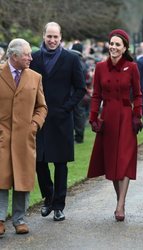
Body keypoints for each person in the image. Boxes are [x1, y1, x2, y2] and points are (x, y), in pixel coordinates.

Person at [30, 22, 86, 221]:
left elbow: (81, 89)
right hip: (39, 119)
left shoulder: (71, 59)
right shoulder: (34, 58)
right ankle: (48, 197)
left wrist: (66, 108)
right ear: (43, 36)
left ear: (61, 37)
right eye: (49, 36)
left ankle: (59, 206)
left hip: (62, 120)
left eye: (55, 37)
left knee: (61, 164)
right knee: (39, 162)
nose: (52, 40)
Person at [87, 29, 142, 221]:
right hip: (108, 117)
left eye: (118, 44)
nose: (113, 47)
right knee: (112, 162)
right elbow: (96, 95)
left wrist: (137, 115)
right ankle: (121, 199)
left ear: (125, 47)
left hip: (126, 118)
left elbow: (137, 94)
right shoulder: (101, 67)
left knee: (124, 160)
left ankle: (120, 206)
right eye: (111, 43)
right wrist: (93, 118)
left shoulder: (132, 67)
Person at [0, 38, 47, 235]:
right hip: (3, 137)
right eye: (27, 54)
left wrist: (34, 125)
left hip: (25, 139)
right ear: (14, 56)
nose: (31, 57)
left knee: (23, 179)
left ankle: (19, 219)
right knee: (0, 179)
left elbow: (42, 107)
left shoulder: (35, 77)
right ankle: (0, 219)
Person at [70, 42, 89, 144]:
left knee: (76, 114)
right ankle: (79, 136)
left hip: (72, 92)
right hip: (80, 92)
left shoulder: (71, 60)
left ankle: (78, 137)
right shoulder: (82, 63)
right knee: (79, 114)